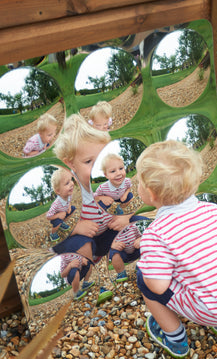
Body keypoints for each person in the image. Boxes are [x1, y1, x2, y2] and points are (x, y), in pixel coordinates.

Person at [135, 140, 217, 358]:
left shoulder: (156, 234)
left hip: (213, 309)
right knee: (209, 268)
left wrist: (147, 257)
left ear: (151, 194)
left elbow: (157, 285)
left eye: (138, 183)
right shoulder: (213, 210)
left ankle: (175, 339)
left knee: (143, 277)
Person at [50, 113, 133, 304]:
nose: (96, 168)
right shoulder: (70, 191)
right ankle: (93, 280)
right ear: (70, 164)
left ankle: (140, 261)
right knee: (84, 243)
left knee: (132, 224)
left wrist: (125, 217)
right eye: (89, 162)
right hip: (74, 242)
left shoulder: (108, 183)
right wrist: (76, 227)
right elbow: (55, 222)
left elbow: (129, 203)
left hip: (102, 235)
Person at [45, 168, 76, 242]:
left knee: (73, 208)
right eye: (67, 183)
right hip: (55, 218)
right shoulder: (56, 204)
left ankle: (62, 223)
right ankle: (53, 233)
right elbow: (48, 216)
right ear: (58, 191)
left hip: (64, 213)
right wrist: (58, 215)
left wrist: (69, 207)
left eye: (71, 180)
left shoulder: (69, 195)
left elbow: (69, 202)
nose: (72, 183)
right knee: (57, 222)